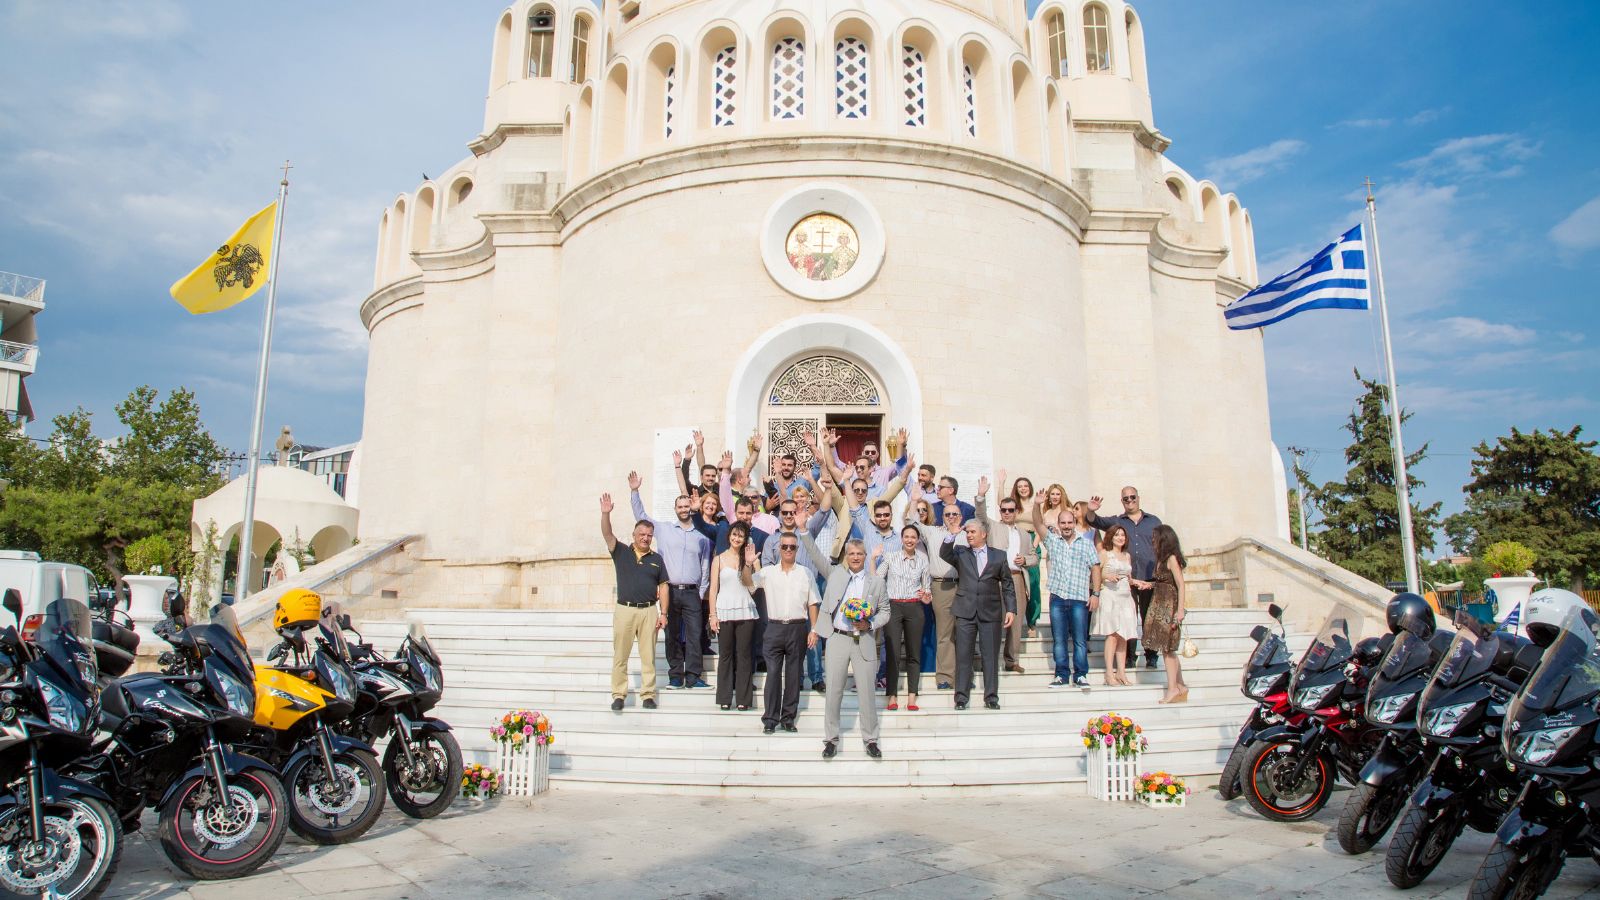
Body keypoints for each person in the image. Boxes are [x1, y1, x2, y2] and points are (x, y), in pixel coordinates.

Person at [628, 471, 712, 690]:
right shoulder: (664, 529)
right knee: (672, 634)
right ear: (675, 509)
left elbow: (705, 564)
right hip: (670, 591)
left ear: (692, 508)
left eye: (687, 506)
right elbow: (641, 516)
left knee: (695, 634)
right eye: (680, 507)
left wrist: (702, 590)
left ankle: (694, 676)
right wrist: (635, 491)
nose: (684, 510)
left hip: (693, 592)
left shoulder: (701, 535)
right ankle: (676, 675)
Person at [808, 539, 889, 759]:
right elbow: (815, 555)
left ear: (865, 556)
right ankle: (831, 740)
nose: (855, 557)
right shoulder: (835, 574)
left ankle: (871, 739)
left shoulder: (876, 582)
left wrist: (870, 624)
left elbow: (885, 611)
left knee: (867, 692)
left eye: (859, 554)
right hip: (838, 638)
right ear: (846, 556)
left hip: (864, 639)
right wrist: (804, 531)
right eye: (851, 553)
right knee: (833, 691)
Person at [598, 493, 667, 712]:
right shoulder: (621, 552)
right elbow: (607, 534)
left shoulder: (656, 559)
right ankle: (619, 694)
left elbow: (664, 586)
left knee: (648, 656)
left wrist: (663, 612)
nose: (645, 538)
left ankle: (648, 694)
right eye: (642, 534)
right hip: (625, 610)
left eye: (649, 535)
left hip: (648, 611)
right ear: (634, 535)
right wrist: (606, 513)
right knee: (621, 655)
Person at [938, 518, 1016, 710]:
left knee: (990, 656)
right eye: (968, 532)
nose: (969, 535)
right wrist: (953, 534)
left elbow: (1007, 584)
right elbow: (944, 553)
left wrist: (1011, 609)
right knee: (963, 656)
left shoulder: (999, 556)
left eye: (973, 532)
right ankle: (961, 698)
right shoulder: (961, 553)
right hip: (965, 611)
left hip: (990, 611)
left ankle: (991, 697)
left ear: (984, 534)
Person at [1086, 486, 1163, 669]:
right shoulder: (1117, 522)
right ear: (1122, 501)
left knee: (1149, 618)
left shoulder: (1154, 521)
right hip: (1124, 580)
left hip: (1149, 577)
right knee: (1127, 619)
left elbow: (1163, 545)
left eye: (1132, 497)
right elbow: (1094, 521)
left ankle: (1151, 655)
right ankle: (1129, 657)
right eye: (1126, 499)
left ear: (1138, 497)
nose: (1130, 501)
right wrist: (1090, 510)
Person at [751, 532, 821, 733]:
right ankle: (770, 719)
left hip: (798, 627)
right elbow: (748, 584)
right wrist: (748, 564)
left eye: (792, 547)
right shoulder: (768, 572)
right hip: (774, 628)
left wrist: (814, 629)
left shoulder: (805, 573)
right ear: (779, 549)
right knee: (773, 673)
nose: (788, 550)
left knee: (793, 674)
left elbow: (813, 602)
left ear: (797, 549)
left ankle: (788, 718)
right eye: (785, 547)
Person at [1032, 500, 1101, 690]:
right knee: (1059, 639)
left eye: (1070, 522)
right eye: (1063, 523)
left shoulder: (1085, 544)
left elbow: (1096, 568)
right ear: (1059, 524)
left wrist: (1095, 593)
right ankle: (1061, 674)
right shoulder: (1053, 541)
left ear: (1074, 522)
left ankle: (1080, 675)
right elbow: (1037, 524)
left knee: (1080, 639)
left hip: (1079, 598)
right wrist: (1037, 505)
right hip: (1058, 598)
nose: (1067, 526)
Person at [973, 478, 1037, 674]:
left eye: (1010, 510)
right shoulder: (992, 527)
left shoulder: (1025, 534)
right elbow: (981, 516)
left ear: (1016, 511)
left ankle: (1011, 660)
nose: (1007, 513)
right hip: (995, 579)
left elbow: (1034, 557)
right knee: (992, 620)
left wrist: (1025, 560)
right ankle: (988, 659)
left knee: (1016, 622)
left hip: (1017, 577)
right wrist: (981, 496)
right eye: (1004, 510)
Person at [909, 503, 965, 690]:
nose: (951, 517)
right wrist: (914, 500)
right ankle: (945, 677)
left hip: (965, 586)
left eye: (955, 514)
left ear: (961, 516)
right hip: (942, 586)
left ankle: (964, 676)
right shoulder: (933, 532)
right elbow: (913, 523)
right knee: (945, 633)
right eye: (947, 514)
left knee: (965, 632)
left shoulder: (967, 533)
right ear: (943, 516)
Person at [709, 522, 760, 711]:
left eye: (741, 536)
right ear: (729, 536)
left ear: (745, 539)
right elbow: (713, 589)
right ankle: (724, 697)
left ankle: (743, 699)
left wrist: (748, 563)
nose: (737, 539)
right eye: (734, 535)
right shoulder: (719, 559)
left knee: (744, 656)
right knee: (725, 655)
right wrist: (712, 615)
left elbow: (752, 587)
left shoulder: (750, 558)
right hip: (724, 610)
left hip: (745, 609)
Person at [879, 524, 931, 711]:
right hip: (893, 606)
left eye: (913, 537)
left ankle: (911, 697)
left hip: (914, 607)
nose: (909, 540)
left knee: (913, 653)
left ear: (917, 540)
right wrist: (873, 559)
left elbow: (927, 589)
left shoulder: (923, 560)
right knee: (893, 652)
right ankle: (892, 696)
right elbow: (877, 579)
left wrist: (926, 597)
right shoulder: (890, 557)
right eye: (906, 536)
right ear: (901, 539)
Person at [1144, 524, 1189, 704]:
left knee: (1168, 649)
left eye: (1155, 537)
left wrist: (1179, 611)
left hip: (1169, 608)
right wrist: (1148, 585)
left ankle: (1172, 689)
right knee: (1167, 647)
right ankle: (1180, 685)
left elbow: (1180, 584)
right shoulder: (1161, 559)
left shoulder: (1171, 558)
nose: (1153, 540)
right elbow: (1163, 582)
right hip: (1160, 605)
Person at [1092, 525, 1140, 686]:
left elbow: (1129, 577)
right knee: (1112, 635)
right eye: (1117, 535)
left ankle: (1121, 672)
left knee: (1123, 636)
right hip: (1110, 596)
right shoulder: (1105, 554)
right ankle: (1108, 673)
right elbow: (1096, 573)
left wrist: (1139, 583)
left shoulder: (1127, 555)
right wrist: (1107, 576)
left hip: (1126, 597)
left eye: (1123, 535)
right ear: (1111, 537)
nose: (1120, 537)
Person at [1005, 474, 1044, 637]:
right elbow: (1002, 502)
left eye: (1025, 485)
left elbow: (1039, 525)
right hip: (1015, 542)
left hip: (1031, 542)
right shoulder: (1013, 505)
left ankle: (1032, 622)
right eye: (1019, 486)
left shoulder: (1035, 504)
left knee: (1033, 584)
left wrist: (1033, 548)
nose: (1022, 488)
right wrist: (1001, 483)